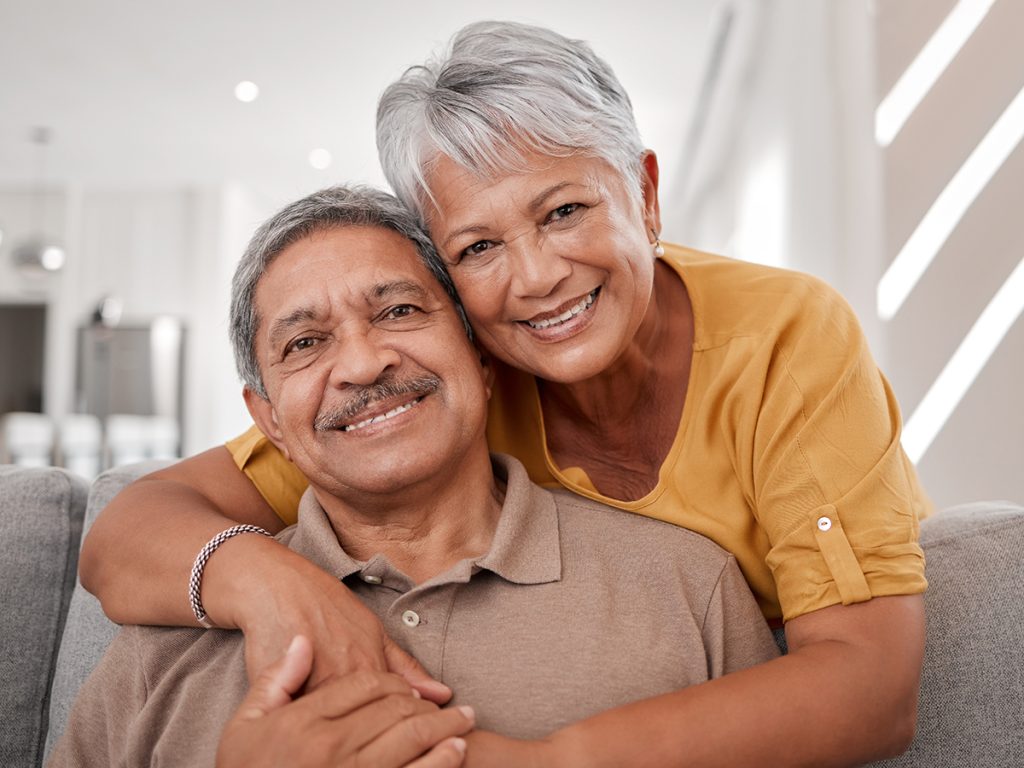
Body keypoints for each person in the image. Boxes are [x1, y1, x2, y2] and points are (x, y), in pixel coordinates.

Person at [80, 20, 930, 767]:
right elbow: (128, 528)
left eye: (564, 211)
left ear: (646, 193)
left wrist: (542, 761)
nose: (536, 280)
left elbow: (871, 682)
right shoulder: (431, 387)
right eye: (478, 247)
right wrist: (279, 587)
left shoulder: (783, 338)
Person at [50, 186, 778, 767]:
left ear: (483, 357)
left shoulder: (689, 589)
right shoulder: (169, 637)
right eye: (306, 343)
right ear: (268, 418)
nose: (365, 364)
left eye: (398, 311)